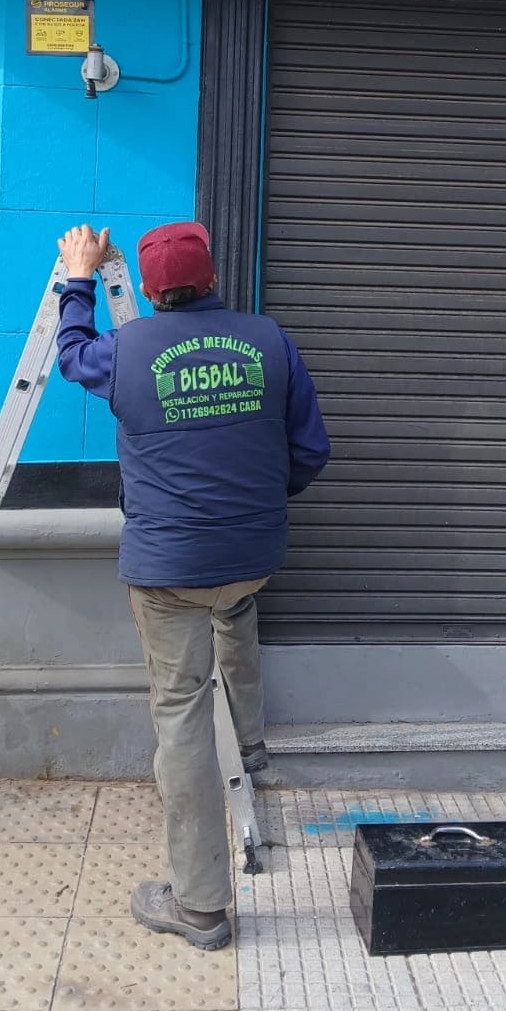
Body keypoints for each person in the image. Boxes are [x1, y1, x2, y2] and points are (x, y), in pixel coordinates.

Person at [55, 219, 330, 950]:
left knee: (180, 713)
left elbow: (72, 357)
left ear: (147, 290)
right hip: (252, 553)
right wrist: (260, 502)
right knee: (236, 606)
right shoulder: (270, 340)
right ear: (212, 279)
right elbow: (311, 450)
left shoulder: (129, 349)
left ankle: (201, 907)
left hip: (169, 568)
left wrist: (78, 276)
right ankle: (252, 739)